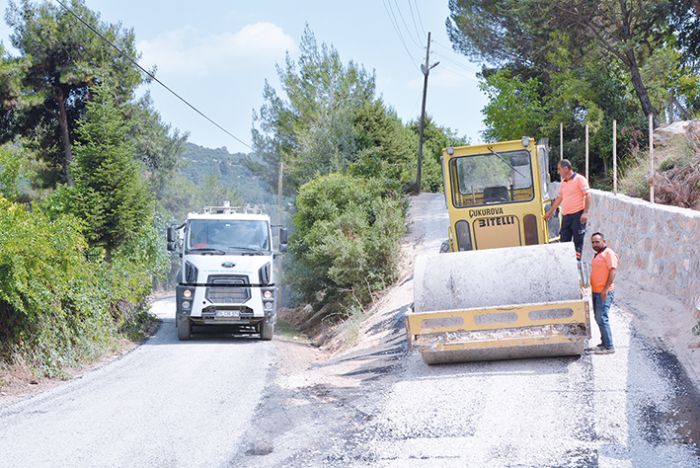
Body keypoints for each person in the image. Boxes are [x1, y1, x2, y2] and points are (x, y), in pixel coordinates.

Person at [544, 159, 592, 261]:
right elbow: (559, 199)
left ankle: (576, 264)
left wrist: (586, 212)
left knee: (577, 242)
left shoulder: (579, 179)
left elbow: (588, 195)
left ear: (566, 168)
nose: (558, 172)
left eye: (559, 169)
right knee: (564, 241)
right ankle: (565, 262)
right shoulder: (563, 183)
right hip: (566, 216)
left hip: (578, 215)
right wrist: (550, 212)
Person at [589, 232, 618, 354]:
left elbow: (613, 271)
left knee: (602, 318)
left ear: (604, 242)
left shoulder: (609, 253)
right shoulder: (598, 254)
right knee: (598, 318)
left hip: (604, 292)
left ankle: (609, 346)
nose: (595, 244)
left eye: (597, 242)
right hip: (596, 292)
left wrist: (605, 289)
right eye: (593, 242)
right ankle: (604, 342)